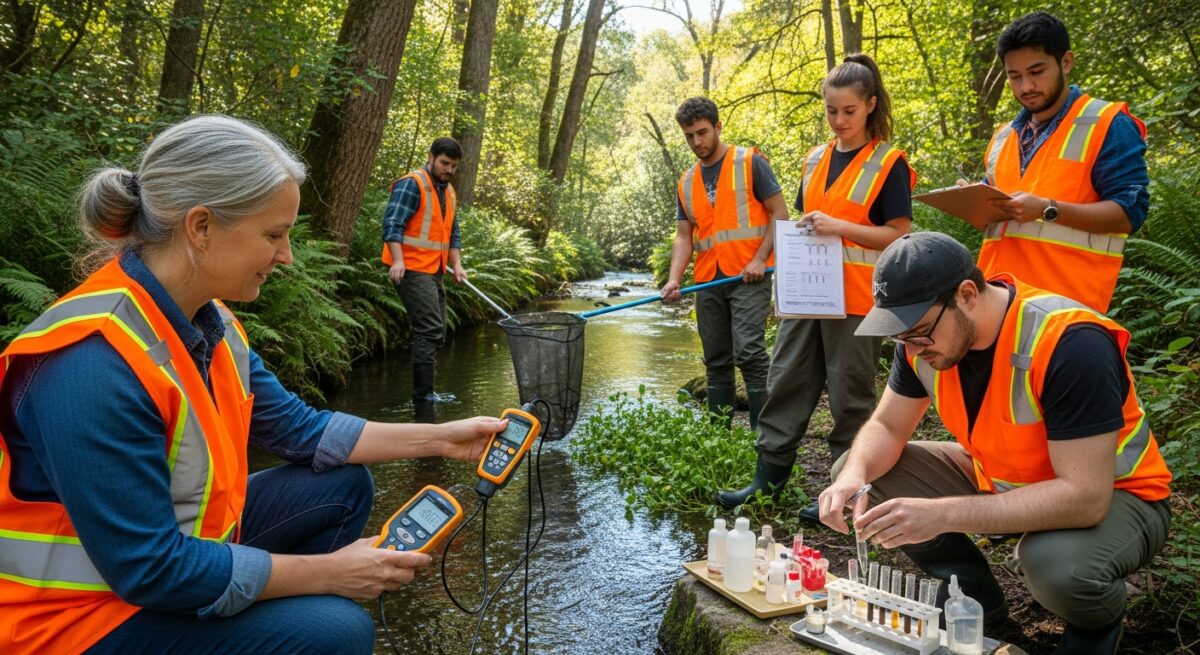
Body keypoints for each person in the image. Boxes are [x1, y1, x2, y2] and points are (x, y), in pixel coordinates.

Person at [0, 115, 507, 655]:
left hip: (157, 572)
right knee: (339, 630)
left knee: (342, 486)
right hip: (70, 624)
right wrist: (328, 573)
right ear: (201, 228)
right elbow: (149, 569)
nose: (286, 255)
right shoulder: (90, 364)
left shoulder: (207, 319)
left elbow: (300, 430)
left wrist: (444, 438)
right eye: (274, 234)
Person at [818, 232, 1172, 655]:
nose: (911, 347)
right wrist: (854, 475)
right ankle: (975, 600)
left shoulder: (1070, 343)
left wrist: (943, 514)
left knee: (1056, 567)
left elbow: (1085, 497)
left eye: (918, 332)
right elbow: (889, 427)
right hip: (1002, 478)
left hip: (1118, 496)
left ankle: (1094, 625)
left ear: (967, 294)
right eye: (899, 336)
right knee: (861, 475)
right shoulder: (921, 343)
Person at [717, 54, 915, 512]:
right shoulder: (814, 159)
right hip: (808, 295)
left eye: (848, 110)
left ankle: (843, 494)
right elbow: (807, 221)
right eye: (831, 110)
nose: (839, 120)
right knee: (786, 379)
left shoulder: (889, 163)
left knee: (850, 394)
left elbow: (898, 234)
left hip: (859, 302)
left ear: (869, 105)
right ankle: (765, 484)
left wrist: (840, 227)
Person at [970, 11, 1149, 313]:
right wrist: (972, 200)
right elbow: (992, 222)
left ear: (1066, 62)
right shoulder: (1002, 137)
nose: (1025, 86)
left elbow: (1129, 213)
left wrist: (1046, 209)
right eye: (1014, 76)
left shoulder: (1106, 124)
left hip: (1068, 308)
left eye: (1036, 72)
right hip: (998, 300)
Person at [661, 96, 788, 428]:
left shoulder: (750, 162)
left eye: (702, 132)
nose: (696, 142)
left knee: (748, 351)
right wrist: (674, 278)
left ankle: (766, 436)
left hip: (750, 275)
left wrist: (761, 259)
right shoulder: (687, 181)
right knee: (716, 358)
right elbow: (684, 236)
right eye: (689, 136)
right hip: (708, 279)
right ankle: (719, 436)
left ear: (717, 127)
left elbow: (780, 214)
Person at [382, 137, 468, 403]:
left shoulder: (448, 191)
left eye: (453, 166)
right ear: (431, 157)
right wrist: (397, 261)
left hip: (435, 269)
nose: (449, 170)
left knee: (438, 332)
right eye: (444, 163)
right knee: (429, 328)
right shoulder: (413, 184)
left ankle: (426, 392)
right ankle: (423, 396)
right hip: (410, 268)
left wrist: (457, 264)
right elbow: (392, 224)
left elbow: (453, 233)